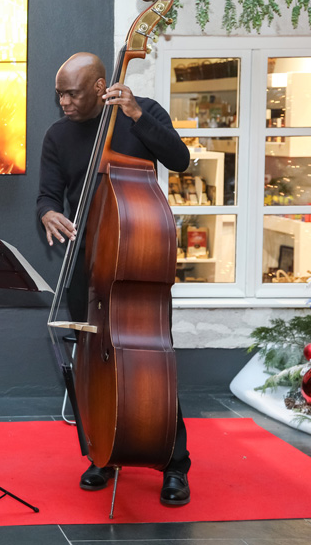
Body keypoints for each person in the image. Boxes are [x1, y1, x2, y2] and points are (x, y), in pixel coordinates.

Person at [37, 52, 193, 506]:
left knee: (152, 363)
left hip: (138, 264)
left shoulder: (142, 113)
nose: (64, 102)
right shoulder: (58, 135)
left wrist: (138, 115)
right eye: (59, 94)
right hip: (88, 264)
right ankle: (102, 453)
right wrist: (48, 212)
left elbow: (180, 159)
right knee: (93, 366)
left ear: (100, 85)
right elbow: (48, 194)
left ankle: (174, 463)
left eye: (72, 94)